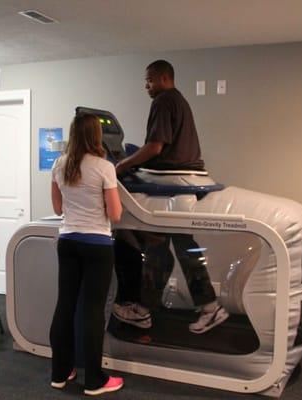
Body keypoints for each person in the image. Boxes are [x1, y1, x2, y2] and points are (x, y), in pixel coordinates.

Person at [113, 60, 229, 334]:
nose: (146, 86)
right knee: (182, 246)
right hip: (187, 182)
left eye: (149, 80)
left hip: (172, 186)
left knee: (156, 247)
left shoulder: (163, 101)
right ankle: (210, 306)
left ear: (164, 78)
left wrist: (122, 165)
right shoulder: (179, 101)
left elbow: (154, 147)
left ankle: (142, 311)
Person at [49, 113, 124, 396]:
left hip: (67, 242)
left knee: (64, 306)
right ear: (96, 136)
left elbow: (58, 209)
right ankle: (94, 381)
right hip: (97, 245)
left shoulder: (59, 164)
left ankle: (60, 372)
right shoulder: (104, 167)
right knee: (93, 312)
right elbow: (115, 213)